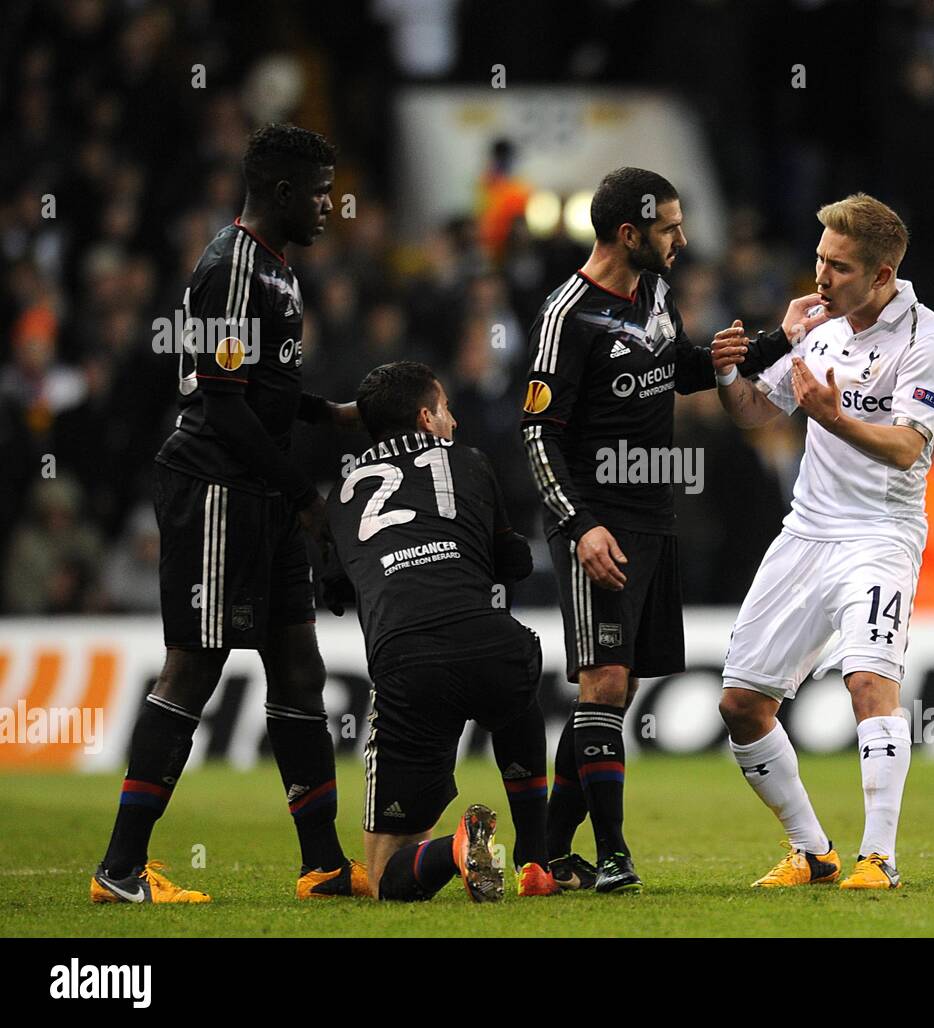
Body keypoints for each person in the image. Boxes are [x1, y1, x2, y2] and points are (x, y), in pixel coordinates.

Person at [519, 166, 821, 892]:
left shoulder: (654, 293)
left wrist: (770, 341)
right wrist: (579, 525)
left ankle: (546, 856)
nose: (683, 239)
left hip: (656, 517)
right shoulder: (567, 315)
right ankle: (616, 856)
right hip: (598, 524)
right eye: (669, 228)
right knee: (606, 680)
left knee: (610, 693)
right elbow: (537, 434)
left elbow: (675, 370)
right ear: (629, 233)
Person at [91, 124, 366, 904]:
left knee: (299, 667)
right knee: (195, 665)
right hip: (215, 488)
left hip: (258, 491)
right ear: (280, 193)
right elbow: (224, 407)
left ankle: (321, 864)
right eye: (317, 195)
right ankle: (119, 869)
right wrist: (307, 497)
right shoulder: (231, 269)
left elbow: (265, 394)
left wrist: (326, 415)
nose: (326, 208)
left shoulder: (278, 269)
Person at [713, 193, 934, 891]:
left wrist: (835, 417)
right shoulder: (815, 325)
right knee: (739, 704)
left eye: (839, 266)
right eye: (820, 258)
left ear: (882, 276)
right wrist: (731, 371)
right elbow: (756, 411)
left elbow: (910, 448)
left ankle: (878, 857)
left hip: (880, 535)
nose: (821, 277)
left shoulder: (926, 343)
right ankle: (812, 849)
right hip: (805, 532)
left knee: (869, 682)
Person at [326, 361, 555, 901]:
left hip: (408, 663)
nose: (453, 420)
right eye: (447, 409)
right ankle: (537, 862)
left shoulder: (342, 493)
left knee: (387, 878)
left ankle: (449, 848)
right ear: (427, 417)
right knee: (516, 685)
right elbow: (514, 561)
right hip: (491, 644)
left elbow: (335, 591)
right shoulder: (471, 463)